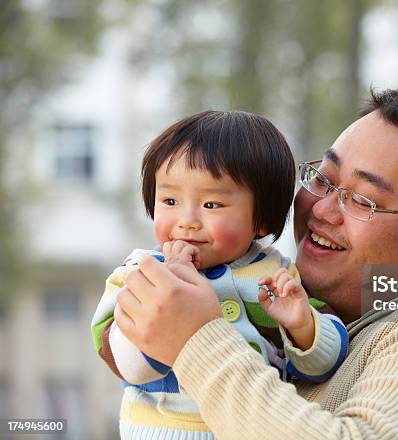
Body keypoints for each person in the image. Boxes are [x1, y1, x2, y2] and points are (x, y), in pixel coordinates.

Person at [115, 89, 398, 439]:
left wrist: (196, 339)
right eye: (322, 179)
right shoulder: (273, 303)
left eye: (363, 200)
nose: (322, 210)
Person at [90, 111, 348, 439]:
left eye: (211, 205)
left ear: (261, 220)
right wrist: (169, 294)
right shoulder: (139, 274)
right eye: (170, 200)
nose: (187, 221)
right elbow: (130, 368)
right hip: (159, 430)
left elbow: (323, 368)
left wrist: (303, 326)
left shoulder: (276, 278)